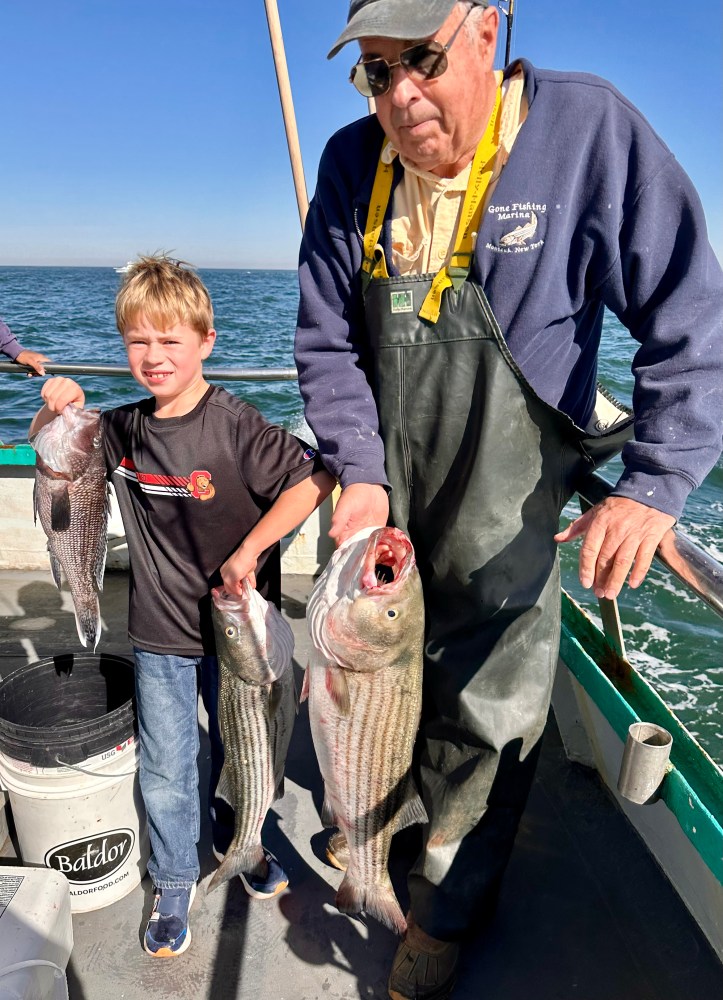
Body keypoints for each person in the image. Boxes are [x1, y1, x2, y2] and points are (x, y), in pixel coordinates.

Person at [294, 2, 723, 997]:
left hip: (511, 514)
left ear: (488, 29)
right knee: (379, 693)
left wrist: (656, 485)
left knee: (488, 716)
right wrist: (356, 466)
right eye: (376, 71)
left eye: (424, 60)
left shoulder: (585, 131)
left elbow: (691, 319)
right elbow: (326, 343)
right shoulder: (350, 166)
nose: (400, 95)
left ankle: (442, 911)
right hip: (386, 515)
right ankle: (377, 836)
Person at [30, 255, 335, 959]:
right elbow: (63, 457)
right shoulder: (123, 429)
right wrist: (55, 404)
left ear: (206, 341)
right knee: (167, 765)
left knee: (243, 752)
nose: (153, 356)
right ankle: (173, 878)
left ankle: (247, 841)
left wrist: (252, 550)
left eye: (171, 341)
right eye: (138, 341)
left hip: (238, 637)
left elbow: (312, 479)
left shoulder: (234, 426)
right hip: (159, 632)